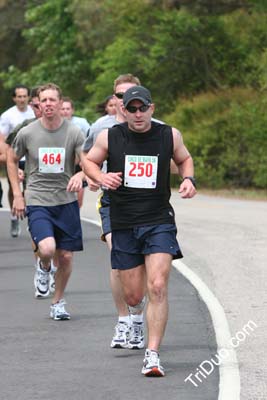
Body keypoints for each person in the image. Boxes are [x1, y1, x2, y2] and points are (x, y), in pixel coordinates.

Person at [82, 85, 197, 377]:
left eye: (142, 108)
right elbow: (89, 162)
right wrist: (100, 176)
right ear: (123, 110)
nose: (137, 113)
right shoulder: (110, 136)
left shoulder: (169, 135)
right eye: (131, 108)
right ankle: (135, 313)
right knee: (134, 296)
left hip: (158, 219)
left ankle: (153, 354)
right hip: (123, 221)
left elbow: (184, 158)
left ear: (151, 108)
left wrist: (188, 179)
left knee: (157, 286)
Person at [6, 82, 85, 320]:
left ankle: (57, 301)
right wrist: (18, 195)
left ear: (61, 104)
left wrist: (81, 174)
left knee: (67, 256)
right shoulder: (28, 132)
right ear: (38, 104)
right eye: (44, 100)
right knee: (48, 248)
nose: (49, 104)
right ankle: (43, 266)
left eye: (53, 100)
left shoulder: (74, 132)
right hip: (38, 198)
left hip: (66, 200)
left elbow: (86, 161)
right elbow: (11, 159)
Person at [83, 73, 147, 350]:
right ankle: (124, 319)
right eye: (120, 96)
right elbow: (86, 158)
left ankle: (138, 316)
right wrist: (92, 177)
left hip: (146, 205)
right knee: (118, 255)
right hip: (113, 201)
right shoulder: (102, 128)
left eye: (130, 96)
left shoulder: (152, 126)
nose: (125, 102)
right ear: (114, 98)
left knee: (140, 263)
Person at [4, 86, 57, 298]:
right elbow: (10, 154)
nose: (38, 108)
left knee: (60, 245)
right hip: (33, 184)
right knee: (40, 230)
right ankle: (43, 265)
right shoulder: (24, 128)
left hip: (58, 188)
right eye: (35, 105)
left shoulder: (60, 127)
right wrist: (16, 172)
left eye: (40, 104)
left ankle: (50, 267)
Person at [0, 84, 35, 237]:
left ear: (28, 97)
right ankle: (14, 217)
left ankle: (32, 219)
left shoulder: (35, 112)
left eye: (24, 96)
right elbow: (2, 140)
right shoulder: (8, 115)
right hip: (13, 156)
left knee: (29, 188)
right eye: (19, 96)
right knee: (13, 187)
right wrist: (6, 157)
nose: (22, 99)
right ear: (14, 98)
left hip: (31, 158)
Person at [60, 96, 91, 208]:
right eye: (63, 109)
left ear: (72, 110)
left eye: (68, 109)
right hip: (61, 164)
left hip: (78, 163)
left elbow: (90, 138)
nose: (65, 111)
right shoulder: (55, 124)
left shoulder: (81, 122)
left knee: (78, 199)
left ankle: (75, 217)